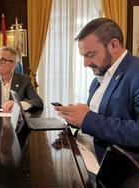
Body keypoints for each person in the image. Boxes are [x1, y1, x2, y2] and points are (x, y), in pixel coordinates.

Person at [54, 18, 139, 163]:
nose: (85, 64)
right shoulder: (98, 78)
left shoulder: (135, 72)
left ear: (113, 45)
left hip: (113, 168)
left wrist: (87, 119)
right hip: (84, 152)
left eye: (90, 55)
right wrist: (76, 118)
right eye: (83, 56)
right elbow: (100, 118)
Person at [0, 46, 43, 112]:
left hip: (16, 122)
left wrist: (19, 105)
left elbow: (38, 102)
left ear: (13, 64)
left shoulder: (24, 80)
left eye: (2, 60)